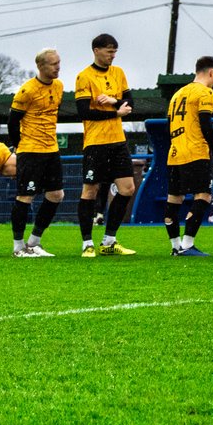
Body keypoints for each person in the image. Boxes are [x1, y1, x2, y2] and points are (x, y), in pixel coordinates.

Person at [74, 33, 140, 257]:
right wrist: (116, 113)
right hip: (96, 142)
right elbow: (84, 112)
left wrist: (113, 102)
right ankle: (87, 243)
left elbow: (131, 105)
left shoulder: (118, 73)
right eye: (109, 51)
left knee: (127, 188)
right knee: (91, 190)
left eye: (114, 51)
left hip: (118, 141)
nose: (112, 55)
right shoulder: (84, 76)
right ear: (96, 50)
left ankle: (109, 241)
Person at [6, 48, 67, 257]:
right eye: (53, 64)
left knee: (56, 195)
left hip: (51, 149)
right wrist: (20, 147)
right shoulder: (27, 91)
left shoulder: (59, 86)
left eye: (59, 62)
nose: (58, 67)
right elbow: (13, 123)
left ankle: (34, 242)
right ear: (41, 66)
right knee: (25, 196)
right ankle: (18, 246)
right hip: (30, 150)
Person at [163, 57, 213, 256]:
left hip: (175, 152)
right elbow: (206, 124)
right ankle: (187, 244)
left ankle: (175, 246)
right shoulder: (205, 92)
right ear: (212, 73)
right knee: (203, 195)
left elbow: (169, 124)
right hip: (195, 150)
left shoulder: (177, 95)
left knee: (174, 198)